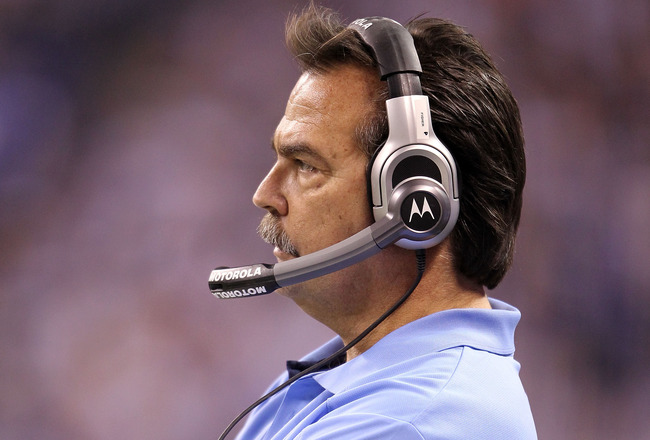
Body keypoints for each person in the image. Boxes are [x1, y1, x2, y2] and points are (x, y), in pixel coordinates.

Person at [229, 4, 536, 439]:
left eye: (305, 165)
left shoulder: (408, 423)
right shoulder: (333, 381)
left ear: (413, 198)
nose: (265, 195)